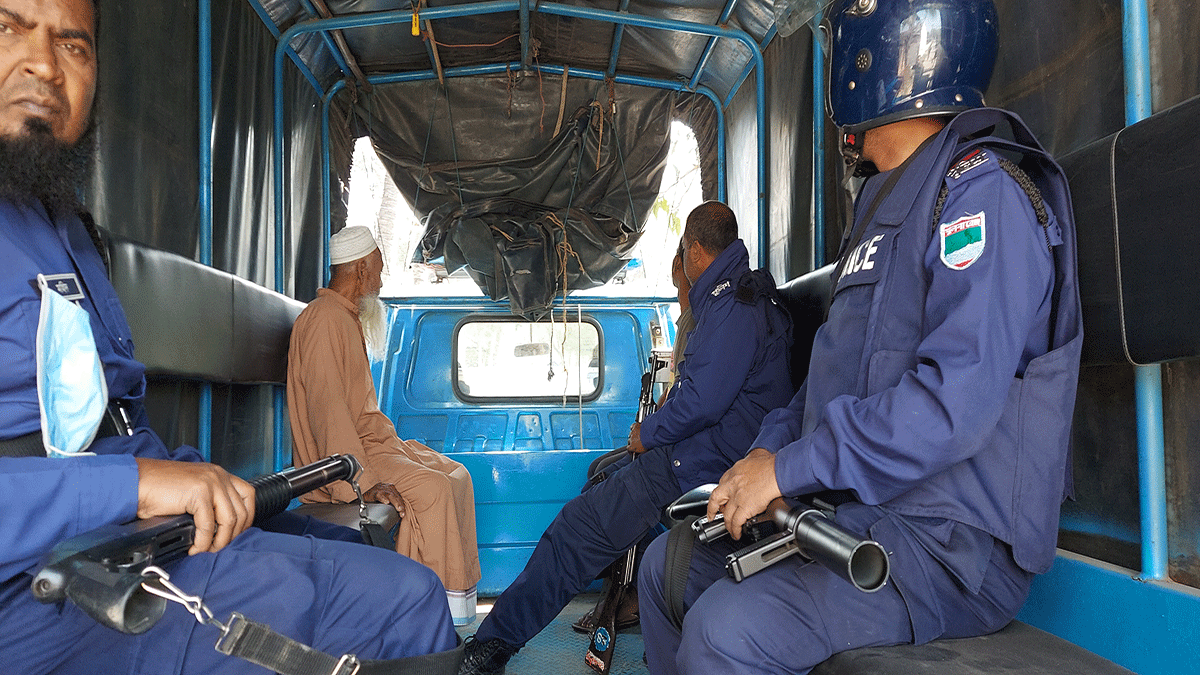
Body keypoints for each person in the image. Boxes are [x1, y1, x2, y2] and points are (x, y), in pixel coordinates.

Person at [0, 1, 457, 673]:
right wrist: (136, 486)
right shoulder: (327, 318)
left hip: (127, 542)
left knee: (386, 569)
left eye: (74, 46)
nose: (43, 63)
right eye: (8, 25)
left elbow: (113, 422)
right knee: (403, 602)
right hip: (42, 588)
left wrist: (194, 476)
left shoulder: (64, 228)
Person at [636, 1, 1084, 674]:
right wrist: (760, 460)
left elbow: (950, 407)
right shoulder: (880, 207)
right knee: (663, 567)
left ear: (877, 50)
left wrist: (788, 470)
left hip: (949, 547)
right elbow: (822, 388)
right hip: (857, 510)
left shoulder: (979, 196)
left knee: (725, 633)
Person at [458, 201, 795, 675]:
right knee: (600, 481)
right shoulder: (729, 298)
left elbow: (703, 401)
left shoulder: (733, 306)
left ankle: (492, 646)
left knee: (575, 528)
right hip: (698, 455)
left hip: (702, 466)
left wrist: (647, 434)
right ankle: (609, 590)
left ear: (695, 251)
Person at [287, 225, 482, 623]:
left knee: (458, 476)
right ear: (359, 269)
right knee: (433, 490)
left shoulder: (344, 317)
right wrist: (360, 482)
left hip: (376, 443)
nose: (381, 277)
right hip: (349, 460)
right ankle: (422, 617)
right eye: (378, 267)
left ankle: (456, 613)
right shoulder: (324, 320)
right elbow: (329, 414)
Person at [572, 238, 696, 634]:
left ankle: (633, 598)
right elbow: (675, 392)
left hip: (684, 452)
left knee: (614, 483)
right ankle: (616, 586)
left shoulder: (700, 319)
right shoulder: (686, 320)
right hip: (669, 437)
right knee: (599, 469)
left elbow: (691, 404)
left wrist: (651, 432)